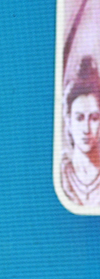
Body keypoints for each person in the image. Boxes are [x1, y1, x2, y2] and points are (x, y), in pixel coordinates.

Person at [61, 56, 100, 208]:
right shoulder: (62, 175)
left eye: (94, 118)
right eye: (79, 118)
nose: (86, 129)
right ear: (69, 121)